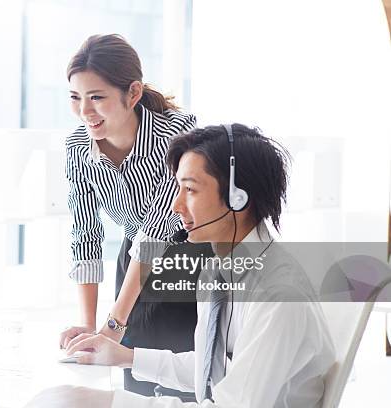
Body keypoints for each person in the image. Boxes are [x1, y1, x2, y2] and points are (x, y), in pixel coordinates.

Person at [32, 124, 336, 407]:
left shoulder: (276, 294)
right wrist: (125, 357)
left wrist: (108, 402)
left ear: (238, 198)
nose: (176, 205)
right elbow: (210, 368)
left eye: (189, 190)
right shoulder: (219, 272)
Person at [60, 34, 212, 398]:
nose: (85, 111)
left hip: (187, 258)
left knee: (183, 376)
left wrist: (112, 325)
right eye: (75, 97)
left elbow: (157, 234)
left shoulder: (176, 134)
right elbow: (85, 237)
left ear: (133, 93)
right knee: (135, 382)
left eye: (96, 97)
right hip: (132, 258)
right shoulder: (78, 146)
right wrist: (88, 327)